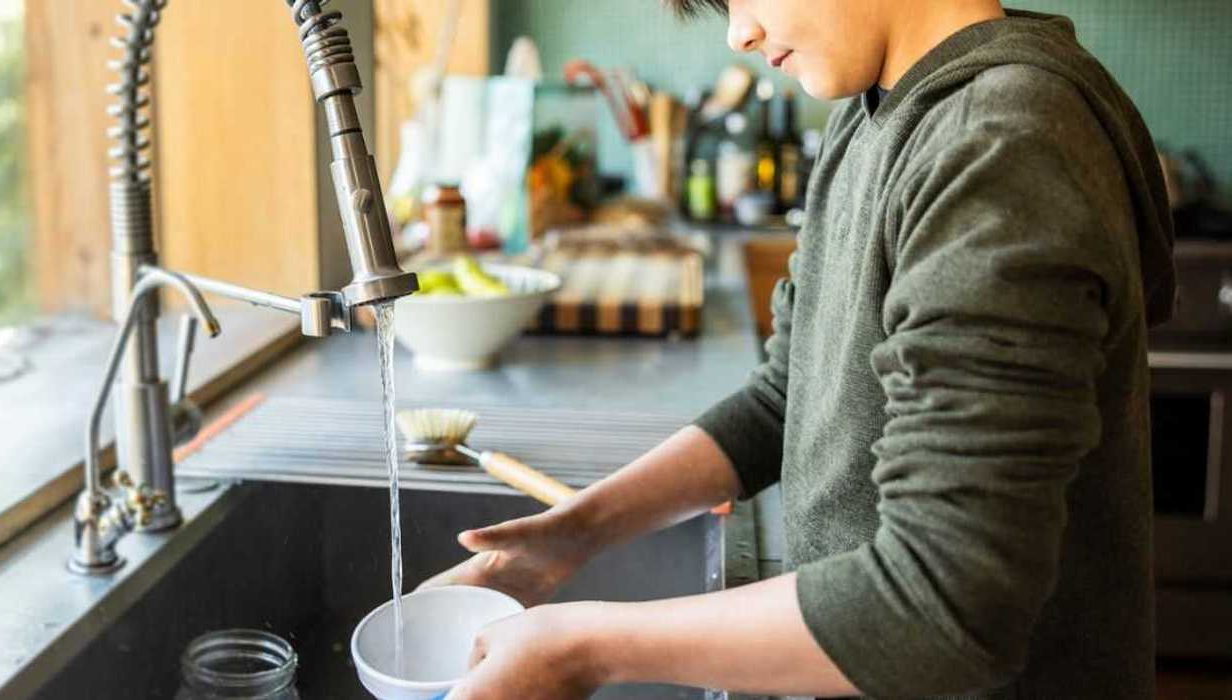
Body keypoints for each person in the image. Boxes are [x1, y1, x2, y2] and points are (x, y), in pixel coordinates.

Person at [429, 0, 1176, 697]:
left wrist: (577, 646)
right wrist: (571, 536)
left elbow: (944, 602)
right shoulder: (873, 113)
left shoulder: (1001, 143)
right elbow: (787, 394)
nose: (739, 35)